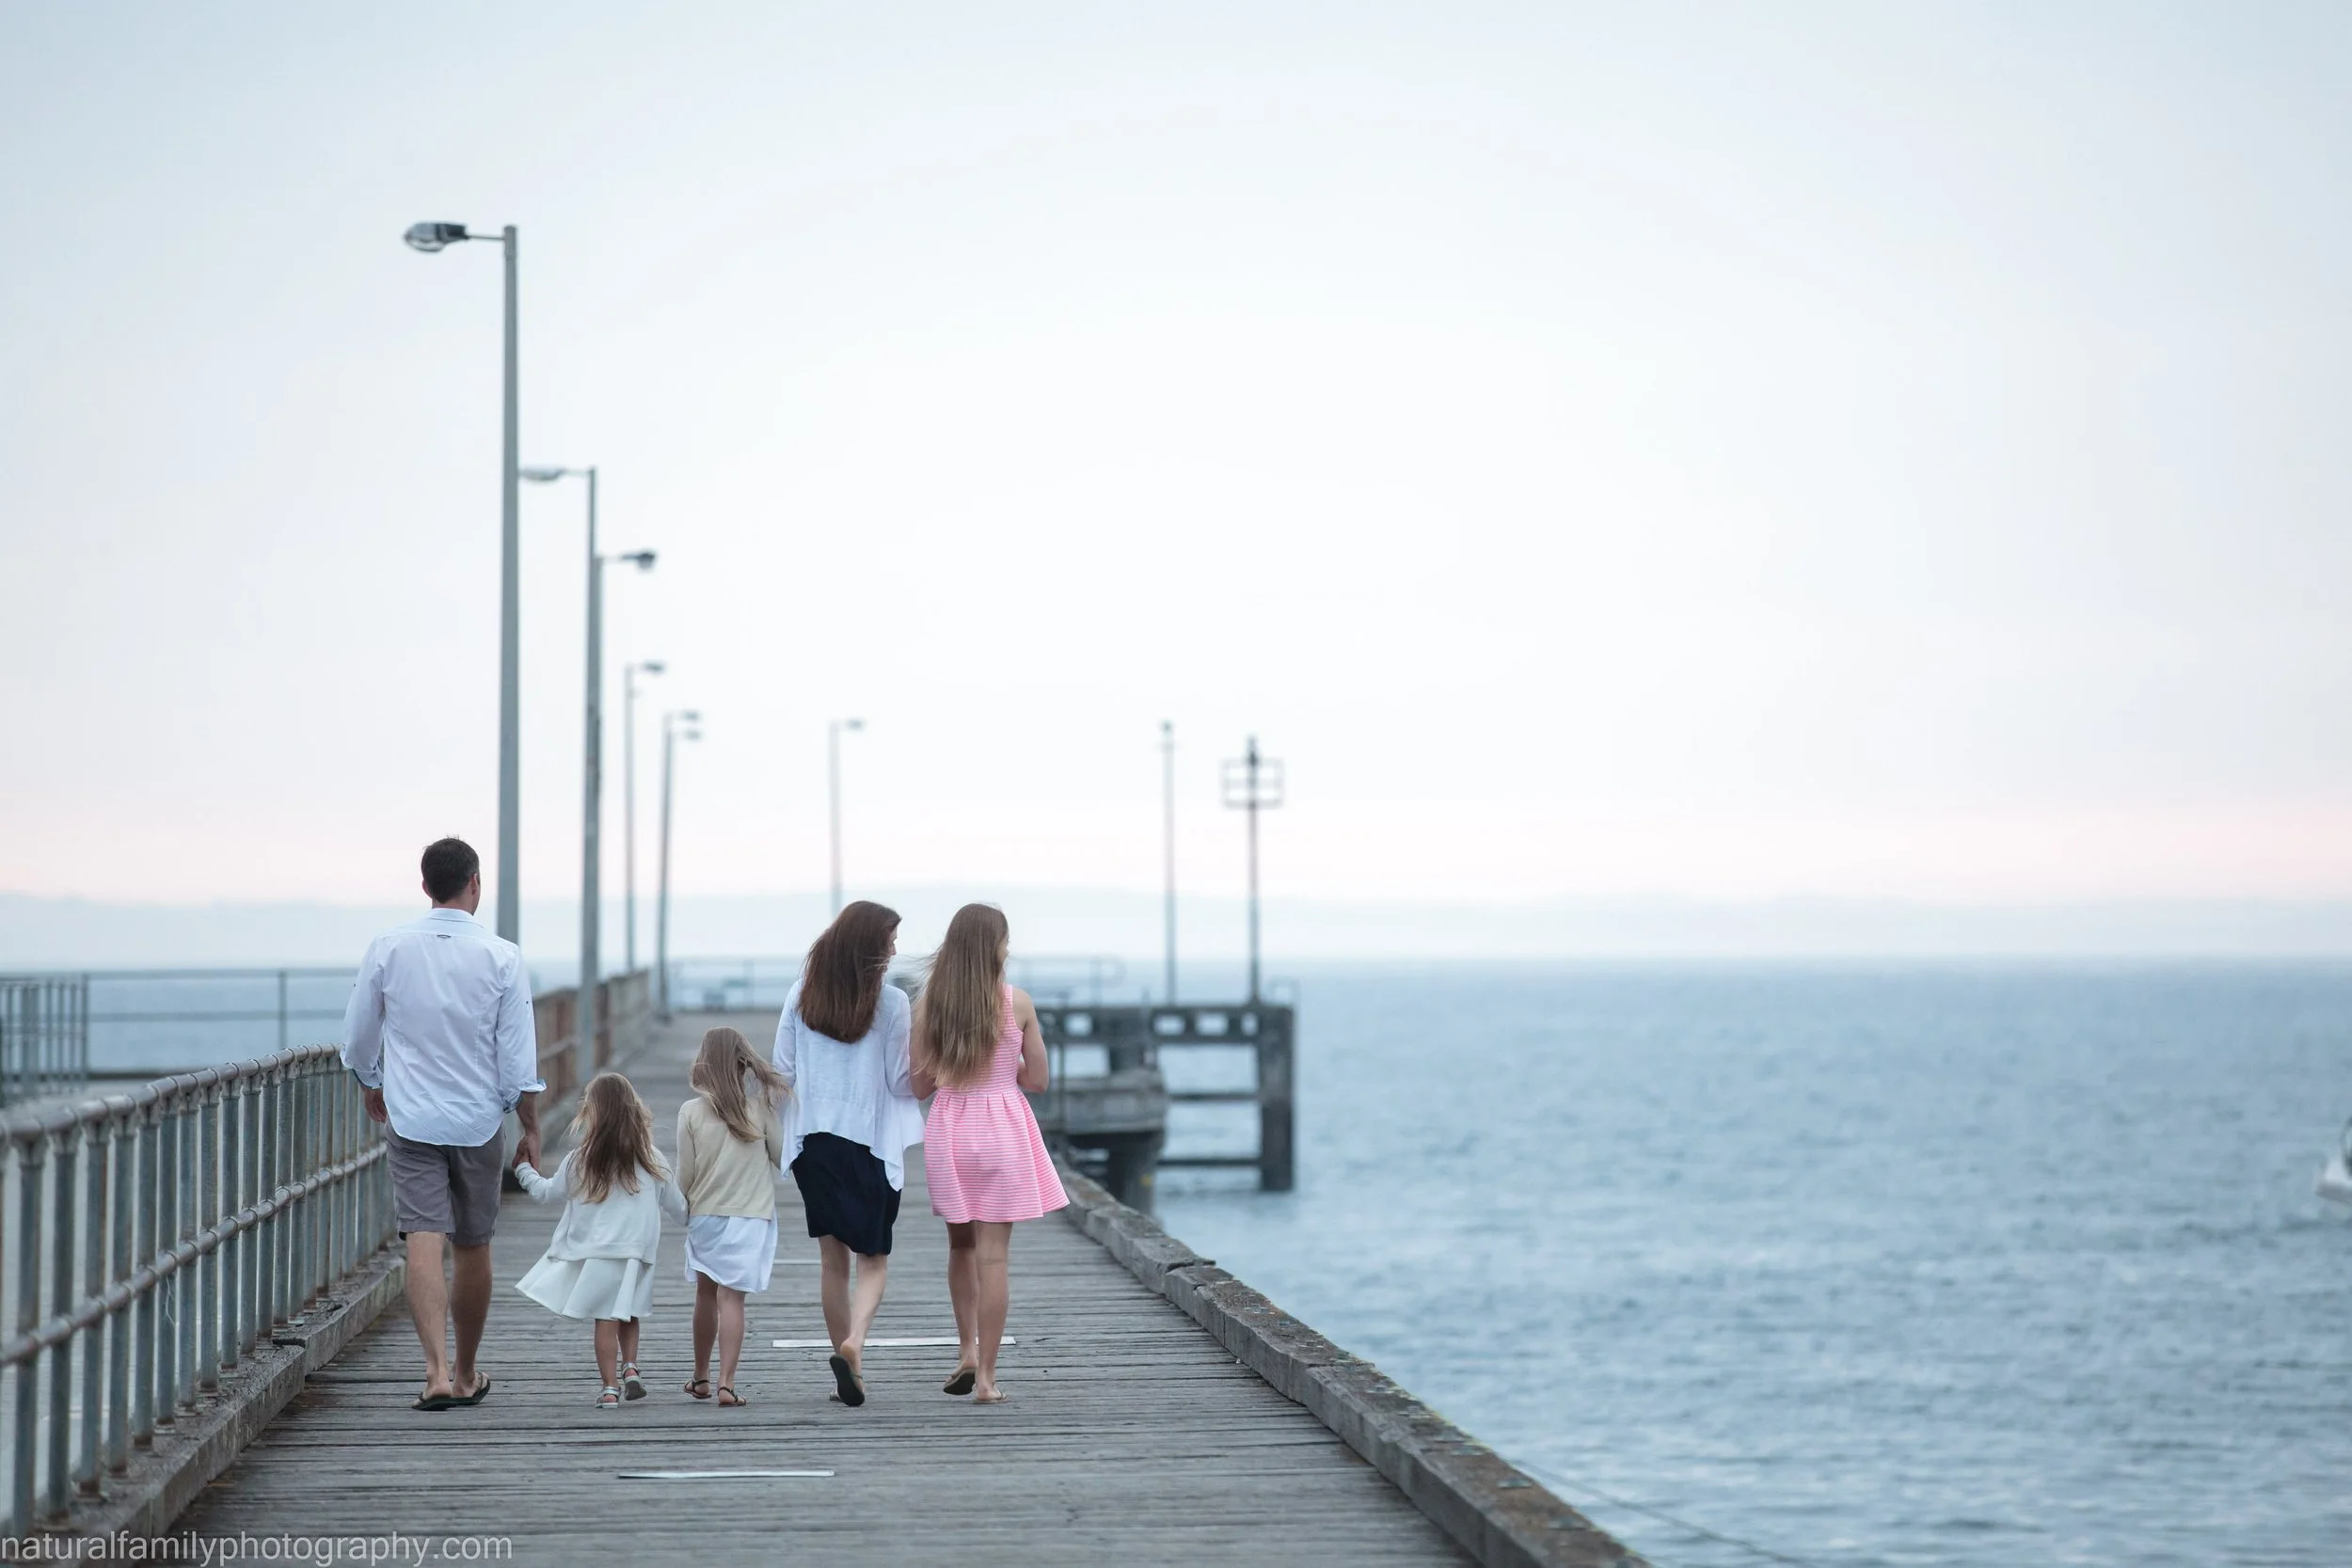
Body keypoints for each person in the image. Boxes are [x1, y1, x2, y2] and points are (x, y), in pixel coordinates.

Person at [342, 836, 542, 1412]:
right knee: (473, 1243)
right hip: (480, 1119)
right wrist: (527, 1127)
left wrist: (370, 1080)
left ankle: (432, 1371)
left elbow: (358, 1036)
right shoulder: (503, 956)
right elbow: (519, 1061)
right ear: (475, 883)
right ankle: (467, 1371)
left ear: (426, 886)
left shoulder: (389, 948)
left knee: (422, 1235)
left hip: (411, 1117)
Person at [911, 903, 1066, 1404]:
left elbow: (918, 1086)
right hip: (1001, 1128)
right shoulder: (1016, 1003)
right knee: (994, 1257)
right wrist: (1006, 1072)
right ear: (997, 947)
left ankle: (966, 1350)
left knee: (960, 1247)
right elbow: (1038, 1080)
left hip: (951, 1130)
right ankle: (987, 1379)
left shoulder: (930, 1003)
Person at [771, 899, 924, 1408]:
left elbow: (781, 1075)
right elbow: (901, 1081)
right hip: (869, 1145)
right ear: (871, 947)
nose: (896, 949)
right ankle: (854, 1345)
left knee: (832, 1263)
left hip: (814, 1144)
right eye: (890, 940)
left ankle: (846, 1366)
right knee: (873, 1260)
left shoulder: (800, 996)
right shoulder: (893, 1003)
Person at [512, 1072, 688, 1409]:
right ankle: (631, 1368)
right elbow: (678, 1208)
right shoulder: (651, 1158)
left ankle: (609, 1387)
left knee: (605, 1320)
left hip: (598, 1254)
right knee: (629, 1312)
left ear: (591, 1113)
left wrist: (524, 1170)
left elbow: (547, 1193)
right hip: (637, 1254)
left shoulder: (581, 1159)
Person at [676, 1027, 787, 1407]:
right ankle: (727, 1383)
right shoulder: (759, 1109)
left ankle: (701, 1377)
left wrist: (678, 1209)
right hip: (750, 1218)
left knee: (705, 1293)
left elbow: (685, 1176)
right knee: (732, 1300)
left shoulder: (690, 1112)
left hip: (706, 1216)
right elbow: (782, 1158)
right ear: (744, 1064)